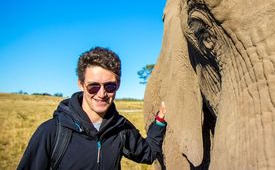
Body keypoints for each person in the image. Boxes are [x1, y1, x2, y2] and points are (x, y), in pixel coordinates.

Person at [17, 46, 166, 170]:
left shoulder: (121, 129)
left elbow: (148, 154)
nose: (101, 94)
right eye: (93, 86)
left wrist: (159, 121)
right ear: (81, 84)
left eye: (110, 86)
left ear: (118, 85)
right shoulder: (51, 132)